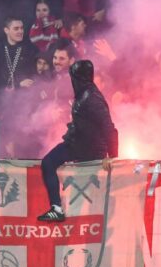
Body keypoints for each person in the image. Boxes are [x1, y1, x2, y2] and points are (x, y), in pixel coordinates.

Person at [38, 59, 117, 222]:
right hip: (80, 144)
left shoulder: (92, 98)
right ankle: (59, 209)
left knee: (48, 162)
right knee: (50, 163)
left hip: (86, 147)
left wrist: (112, 155)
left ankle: (57, 208)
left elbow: (109, 127)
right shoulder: (84, 94)